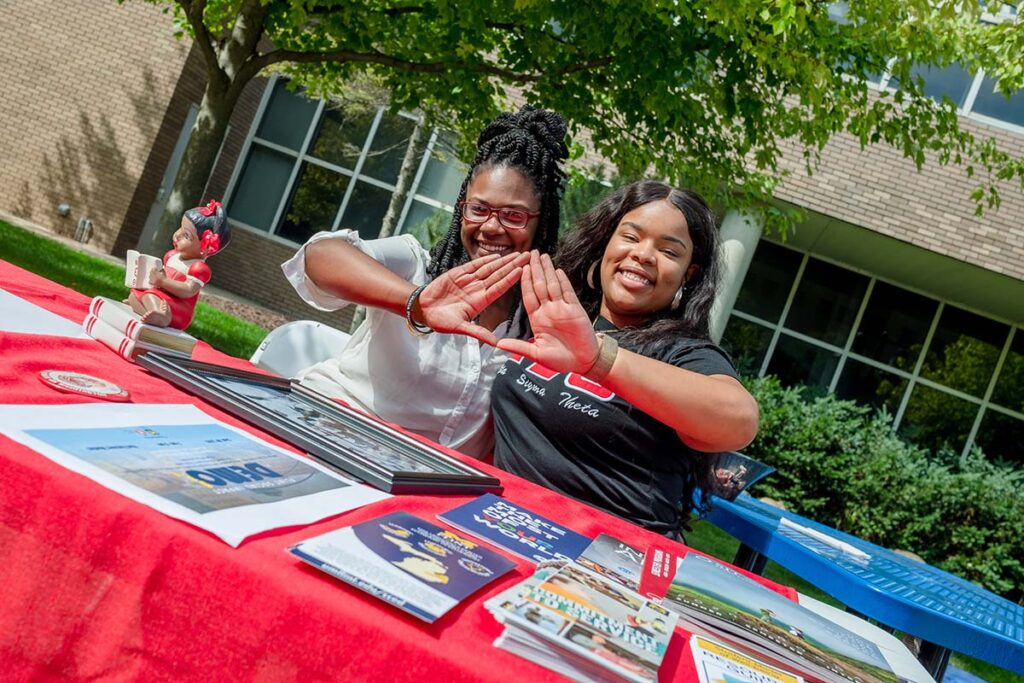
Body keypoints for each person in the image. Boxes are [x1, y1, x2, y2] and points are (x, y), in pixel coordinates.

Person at [282, 106, 569, 458]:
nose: (492, 227)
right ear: (461, 208)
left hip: (427, 482)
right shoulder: (418, 265)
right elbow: (320, 256)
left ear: (541, 223)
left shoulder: (538, 323)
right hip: (333, 428)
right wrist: (417, 302)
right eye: (479, 209)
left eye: (513, 215)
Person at [489, 181, 759, 536]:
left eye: (669, 251)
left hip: (606, 561)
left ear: (687, 274)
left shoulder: (683, 352)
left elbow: (739, 421)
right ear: (606, 243)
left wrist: (601, 361)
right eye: (631, 237)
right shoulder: (554, 312)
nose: (644, 255)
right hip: (505, 523)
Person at [127, 199, 230, 329]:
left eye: (186, 236)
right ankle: (150, 313)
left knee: (149, 295)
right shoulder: (172, 255)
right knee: (134, 294)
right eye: (180, 228)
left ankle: (163, 317)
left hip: (179, 307)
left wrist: (163, 281)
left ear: (205, 248)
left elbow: (187, 291)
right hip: (163, 296)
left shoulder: (198, 268)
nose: (177, 235)